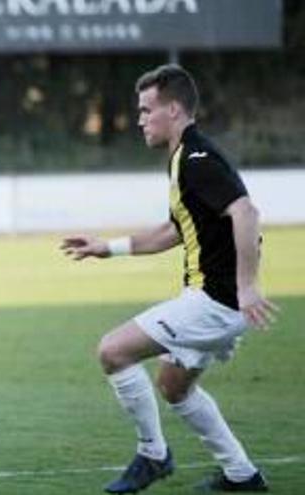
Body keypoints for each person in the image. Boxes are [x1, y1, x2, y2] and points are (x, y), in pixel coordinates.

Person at [61, 65, 278, 494]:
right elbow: (174, 231)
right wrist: (110, 248)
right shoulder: (183, 159)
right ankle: (242, 476)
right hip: (213, 299)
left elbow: (246, 212)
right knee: (173, 386)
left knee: (113, 351)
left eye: (146, 110)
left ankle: (153, 455)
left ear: (174, 109)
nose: (140, 119)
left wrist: (247, 286)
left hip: (216, 302)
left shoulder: (196, 159)